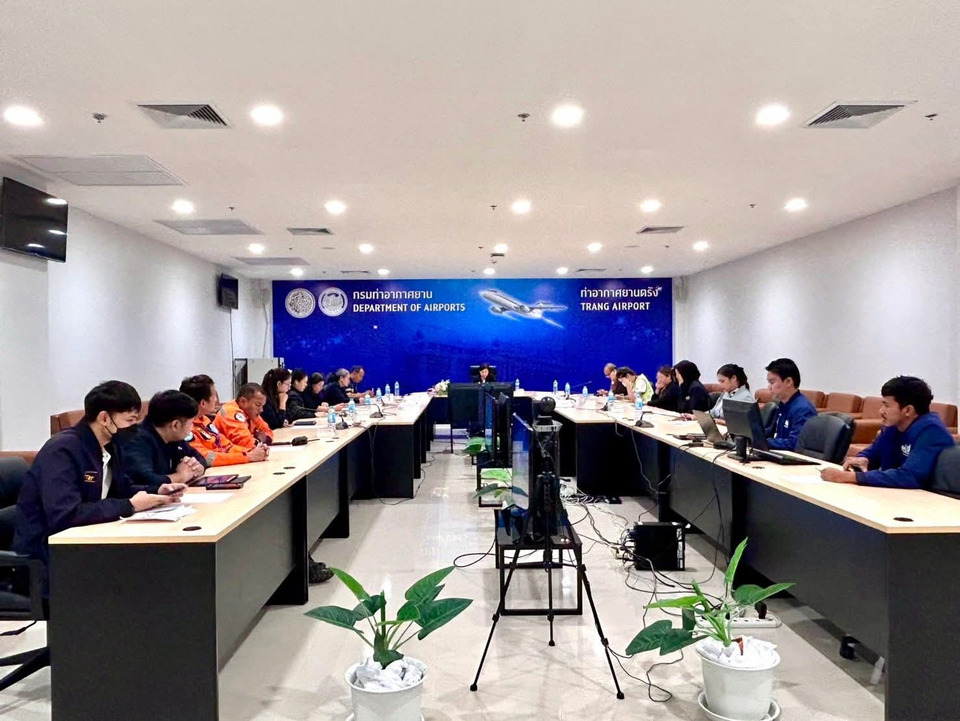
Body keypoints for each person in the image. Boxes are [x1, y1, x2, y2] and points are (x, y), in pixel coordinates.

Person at [12, 381, 185, 586]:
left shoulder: (110, 447)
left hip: (83, 547)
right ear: (104, 418)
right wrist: (130, 505)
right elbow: (65, 514)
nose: (135, 428)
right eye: (130, 420)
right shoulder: (62, 451)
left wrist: (157, 491)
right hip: (47, 560)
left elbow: (122, 488)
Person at [822, 376, 955, 489]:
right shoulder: (894, 426)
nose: (881, 411)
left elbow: (909, 476)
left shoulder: (932, 432)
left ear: (908, 410)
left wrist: (849, 477)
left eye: (886, 405)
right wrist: (863, 459)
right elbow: (873, 452)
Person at [180, 374, 269, 466]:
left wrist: (252, 451)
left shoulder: (204, 420)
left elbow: (226, 446)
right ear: (203, 403)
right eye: (214, 396)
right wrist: (248, 456)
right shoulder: (186, 428)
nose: (216, 400)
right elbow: (206, 458)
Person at [124, 390, 208, 487]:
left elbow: (199, 457)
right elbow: (146, 480)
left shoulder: (174, 437)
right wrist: (181, 476)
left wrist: (198, 468)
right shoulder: (137, 441)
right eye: (191, 423)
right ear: (175, 425)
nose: (192, 427)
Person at [764, 358, 818, 451]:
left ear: (788, 381)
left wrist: (765, 442)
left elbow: (794, 443)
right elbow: (772, 431)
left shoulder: (803, 409)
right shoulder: (782, 404)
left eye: (772, 382)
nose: (769, 387)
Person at [213, 383, 274, 449]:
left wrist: (262, 440)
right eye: (258, 405)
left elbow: (268, 432)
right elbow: (246, 444)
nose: (261, 410)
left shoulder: (250, 413)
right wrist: (260, 440)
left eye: (262, 406)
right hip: (220, 451)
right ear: (243, 401)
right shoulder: (229, 412)